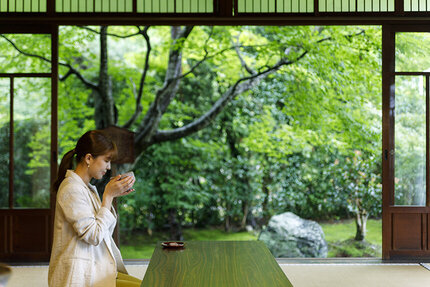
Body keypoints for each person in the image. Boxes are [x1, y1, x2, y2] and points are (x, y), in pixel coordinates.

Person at [48, 130, 141, 287]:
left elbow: (104, 234)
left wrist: (111, 197)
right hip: (80, 275)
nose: (109, 167)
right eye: (106, 160)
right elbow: (93, 236)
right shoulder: (71, 189)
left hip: (96, 270)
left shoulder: (88, 189)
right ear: (89, 158)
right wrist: (108, 196)